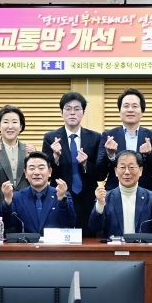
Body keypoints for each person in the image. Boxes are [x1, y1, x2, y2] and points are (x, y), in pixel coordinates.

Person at [42, 92, 101, 237]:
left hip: (88, 199)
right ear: (61, 112)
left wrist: (86, 164)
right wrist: (55, 157)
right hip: (60, 197)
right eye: (68, 108)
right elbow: (46, 172)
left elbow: (100, 173)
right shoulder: (50, 138)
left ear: (83, 112)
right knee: (60, 240)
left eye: (77, 109)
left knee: (88, 240)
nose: (72, 113)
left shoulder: (95, 137)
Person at [96, 88, 152, 192]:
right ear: (120, 111)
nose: (130, 110)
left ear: (142, 111)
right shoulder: (108, 136)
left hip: (145, 193)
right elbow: (100, 174)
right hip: (115, 193)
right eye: (126, 106)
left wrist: (149, 155)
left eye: (135, 106)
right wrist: (110, 155)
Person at [88, 150, 152, 238]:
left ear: (140, 170)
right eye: (122, 167)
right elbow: (94, 228)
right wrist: (100, 204)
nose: (127, 172)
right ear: (116, 171)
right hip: (114, 246)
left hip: (142, 246)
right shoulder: (105, 198)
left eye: (131, 167)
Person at [0, 105, 33, 236]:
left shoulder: (29, 149)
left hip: (24, 207)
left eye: (14, 122)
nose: (10, 126)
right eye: (5, 122)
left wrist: (32, 159)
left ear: (21, 126)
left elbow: (36, 180)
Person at [0, 152, 75, 234]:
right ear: (25, 173)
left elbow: (70, 223)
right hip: (26, 242)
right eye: (32, 168)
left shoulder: (62, 194)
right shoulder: (16, 197)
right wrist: (7, 201)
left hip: (53, 242)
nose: (36, 172)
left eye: (41, 168)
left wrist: (62, 199)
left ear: (50, 172)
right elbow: (6, 225)